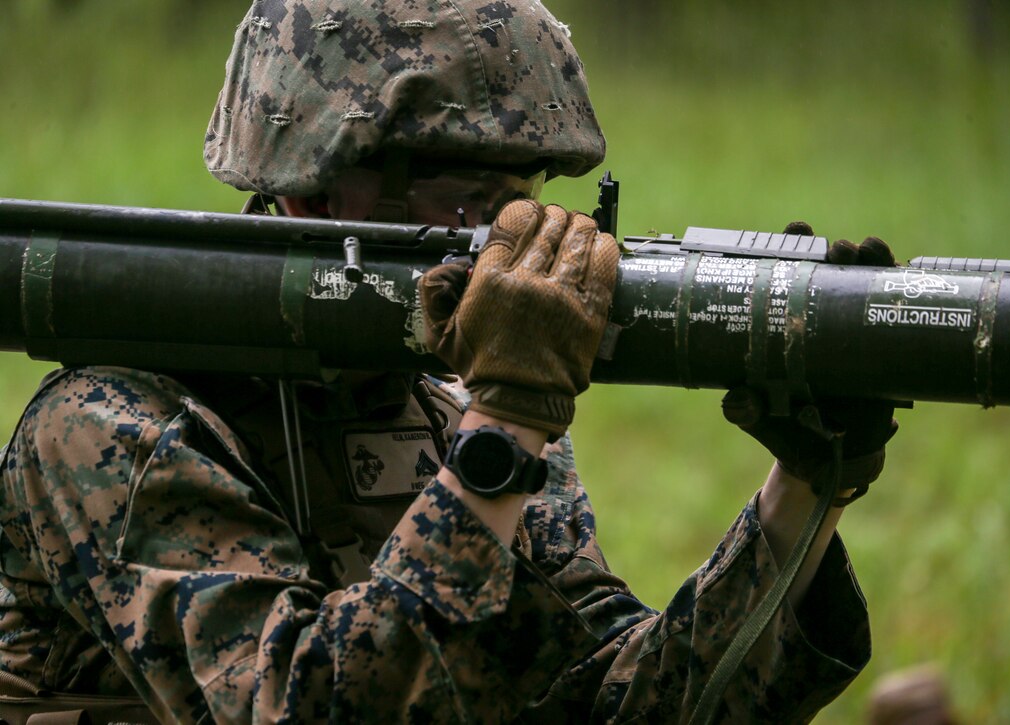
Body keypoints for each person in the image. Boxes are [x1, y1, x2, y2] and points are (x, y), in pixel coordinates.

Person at [0, 1, 896, 722]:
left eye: (521, 195)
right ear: (313, 191)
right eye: (463, 195)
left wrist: (803, 488)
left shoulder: (454, 398)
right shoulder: (110, 426)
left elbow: (599, 698)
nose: (507, 238)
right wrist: (501, 432)